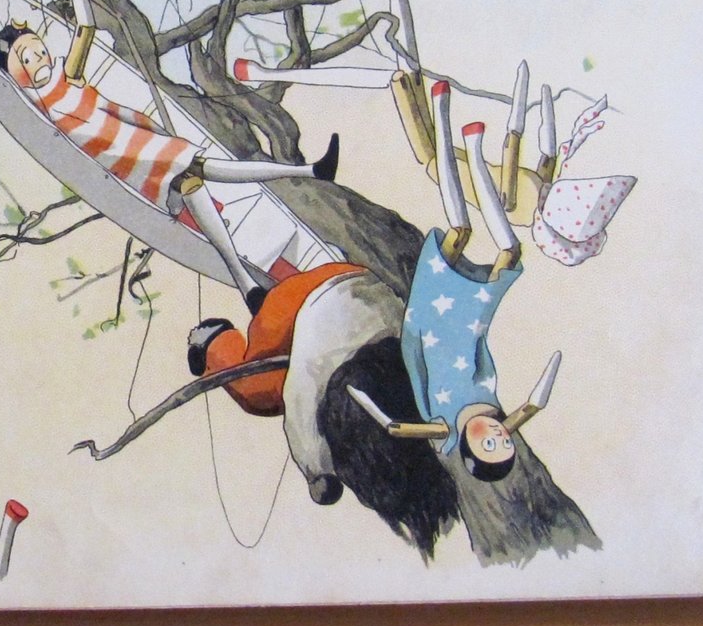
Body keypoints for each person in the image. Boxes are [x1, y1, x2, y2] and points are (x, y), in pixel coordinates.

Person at [188, 78, 559, 497]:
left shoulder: (431, 412)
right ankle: (213, 341)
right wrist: (316, 474)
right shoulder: (326, 389)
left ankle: (242, 307)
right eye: (502, 442)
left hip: (359, 287)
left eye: (490, 446)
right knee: (260, 390)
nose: (496, 435)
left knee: (276, 371)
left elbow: (392, 423)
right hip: (316, 299)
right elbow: (303, 416)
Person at [0, 0, 339, 316]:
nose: (39, 59)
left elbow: (86, 26)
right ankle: (304, 181)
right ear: (16, 71)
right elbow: (1, 74)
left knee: (202, 171)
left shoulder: (69, 77)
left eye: (38, 50)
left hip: (145, 146)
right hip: (130, 167)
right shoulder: (39, 106)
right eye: (27, 58)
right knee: (200, 172)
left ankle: (252, 277)